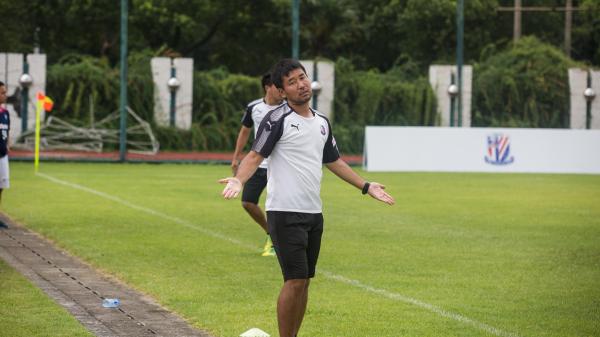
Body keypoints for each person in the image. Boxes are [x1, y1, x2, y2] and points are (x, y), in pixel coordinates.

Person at [219, 59, 394, 337]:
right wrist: (239, 179)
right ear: (281, 90)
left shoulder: (322, 122)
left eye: (302, 77)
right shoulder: (277, 119)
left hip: (314, 214)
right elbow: (255, 156)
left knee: (305, 282)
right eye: (292, 82)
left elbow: (334, 161)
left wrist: (366, 185)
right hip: (284, 212)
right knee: (295, 280)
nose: (301, 84)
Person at [231, 72, 284, 256]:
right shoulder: (253, 107)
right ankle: (271, 231)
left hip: (279, 166)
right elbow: (244, 132)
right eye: (278, 88)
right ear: (267, 87)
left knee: (278, 205)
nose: (281, 91)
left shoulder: (288, 108)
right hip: (258, 164)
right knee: (247, 202)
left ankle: (279, 241)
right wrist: (236, 157)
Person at [0, 82, 10, 229]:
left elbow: (7, 132)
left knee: (0, 187)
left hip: (3, 156)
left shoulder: (5, 113)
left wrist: (8, 144)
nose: (5, 95)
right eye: (2, 92)